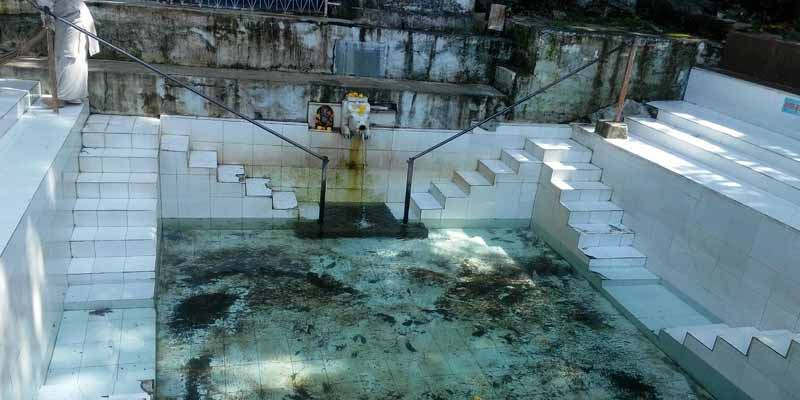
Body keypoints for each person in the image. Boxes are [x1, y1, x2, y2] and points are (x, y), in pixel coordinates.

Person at [39, 0, 100, 106]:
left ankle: (62, 98)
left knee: (69, 56)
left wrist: (47, 23)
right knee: (69, 57)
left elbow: (46, 10)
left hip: (74, 18)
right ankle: (72, 97)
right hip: (66, 18)